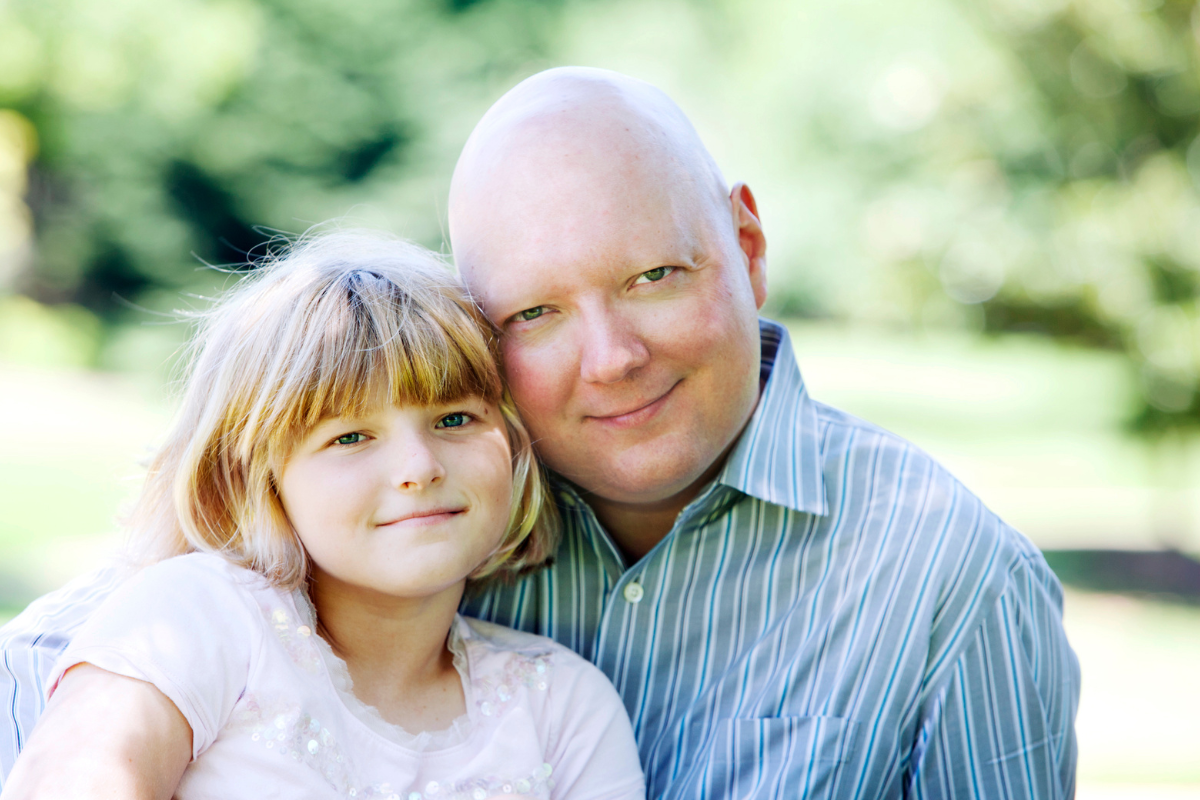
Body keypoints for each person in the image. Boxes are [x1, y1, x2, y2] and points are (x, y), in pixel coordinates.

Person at [1, 67, 1079, 799]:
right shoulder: (414, 519)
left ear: (746, 245)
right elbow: (72, 676)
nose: (610, 357)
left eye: (655, 277)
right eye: (536, 313)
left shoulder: (949, 575)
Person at [0, 232, 645, 799]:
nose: (419, 466)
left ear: (511, 448)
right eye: (350, 437)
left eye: (454, 419)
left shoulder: (562, 706)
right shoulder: (197, 620)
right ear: (260, 477)